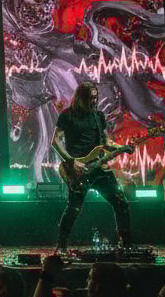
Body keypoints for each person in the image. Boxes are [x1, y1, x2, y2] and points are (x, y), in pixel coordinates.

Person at [51, 82, 131, 252]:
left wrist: (121, 148)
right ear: (80, 98)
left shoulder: (98, 116)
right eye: (90, 98)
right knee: (74, 208)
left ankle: (125, 245)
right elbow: (55, 141)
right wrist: (71, 161)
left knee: (121, 203)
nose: (94, 101)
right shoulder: (67, 115)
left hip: (100, 169)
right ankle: (61, 245)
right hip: (78, 170)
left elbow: (105, 141)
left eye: (95, 97)